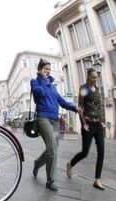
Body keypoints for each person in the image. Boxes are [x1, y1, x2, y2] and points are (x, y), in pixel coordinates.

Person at [31, 59, 79, 192]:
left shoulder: (52, 86)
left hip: (55, 121)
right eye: (45, 69)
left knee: (52, 149)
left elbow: (61, 101)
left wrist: (75, 108)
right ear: (40, 70)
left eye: (48, 69)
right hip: (43, 119)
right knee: (52, 150)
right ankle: (50, 180)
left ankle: (37, 163)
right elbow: (39, 93)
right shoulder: (35, 82)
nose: (47, 71)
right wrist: (44, 80)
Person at [66, 68, 105, 190]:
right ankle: (70, 164)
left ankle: (97, 180)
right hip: (88, 125)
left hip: (98, 125)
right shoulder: (83, 89)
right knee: (85, 153)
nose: (95, 79)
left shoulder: (98, 90)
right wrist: (83, 123)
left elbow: (100, 107)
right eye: (93, 77)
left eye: (96, 77)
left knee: (101, 152)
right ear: (88, 77)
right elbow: (80, 107)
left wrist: (102, 121)